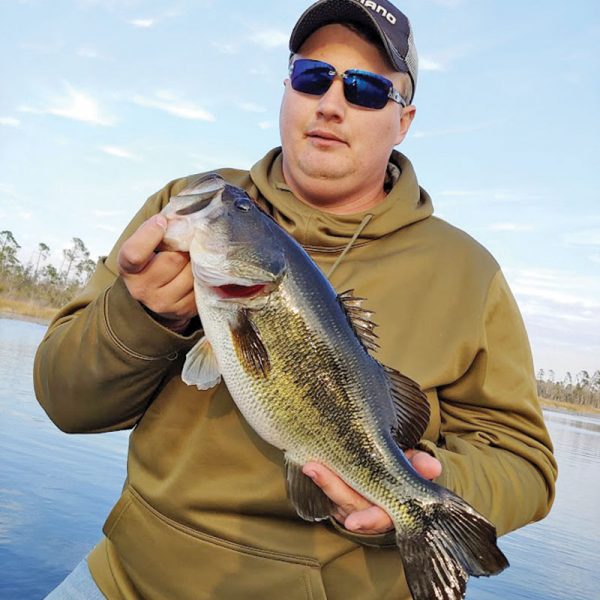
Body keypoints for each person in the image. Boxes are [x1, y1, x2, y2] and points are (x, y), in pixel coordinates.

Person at [35, 0, 558, 598]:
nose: (331, 104)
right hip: (125, 580)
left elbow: (525, 463)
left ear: (404, 120)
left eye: (364, 89)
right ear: (287, 88)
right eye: (313, 77)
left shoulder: (467, 271)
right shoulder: (196, 203)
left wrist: (428, 483)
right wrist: (142, 316)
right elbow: (66, 406)